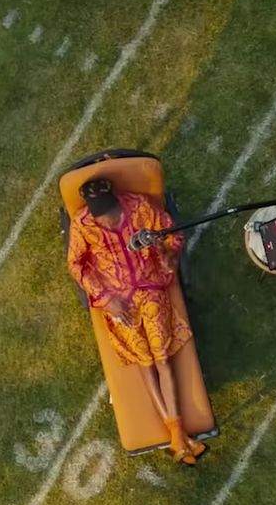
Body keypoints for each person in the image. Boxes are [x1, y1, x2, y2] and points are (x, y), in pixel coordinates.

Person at [66, 177, 206, 465]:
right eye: (101, 218)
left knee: (162, 357)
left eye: (111, 216)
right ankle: (176, 435)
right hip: (116, 299)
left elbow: (174, 237)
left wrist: (167, 253)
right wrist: (105, 297)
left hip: (150, 287)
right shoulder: (83, 224)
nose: (107, 222)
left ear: (118, 202)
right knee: (144, 359)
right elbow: (75, 264)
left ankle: (177, 434)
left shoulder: (141, 208)